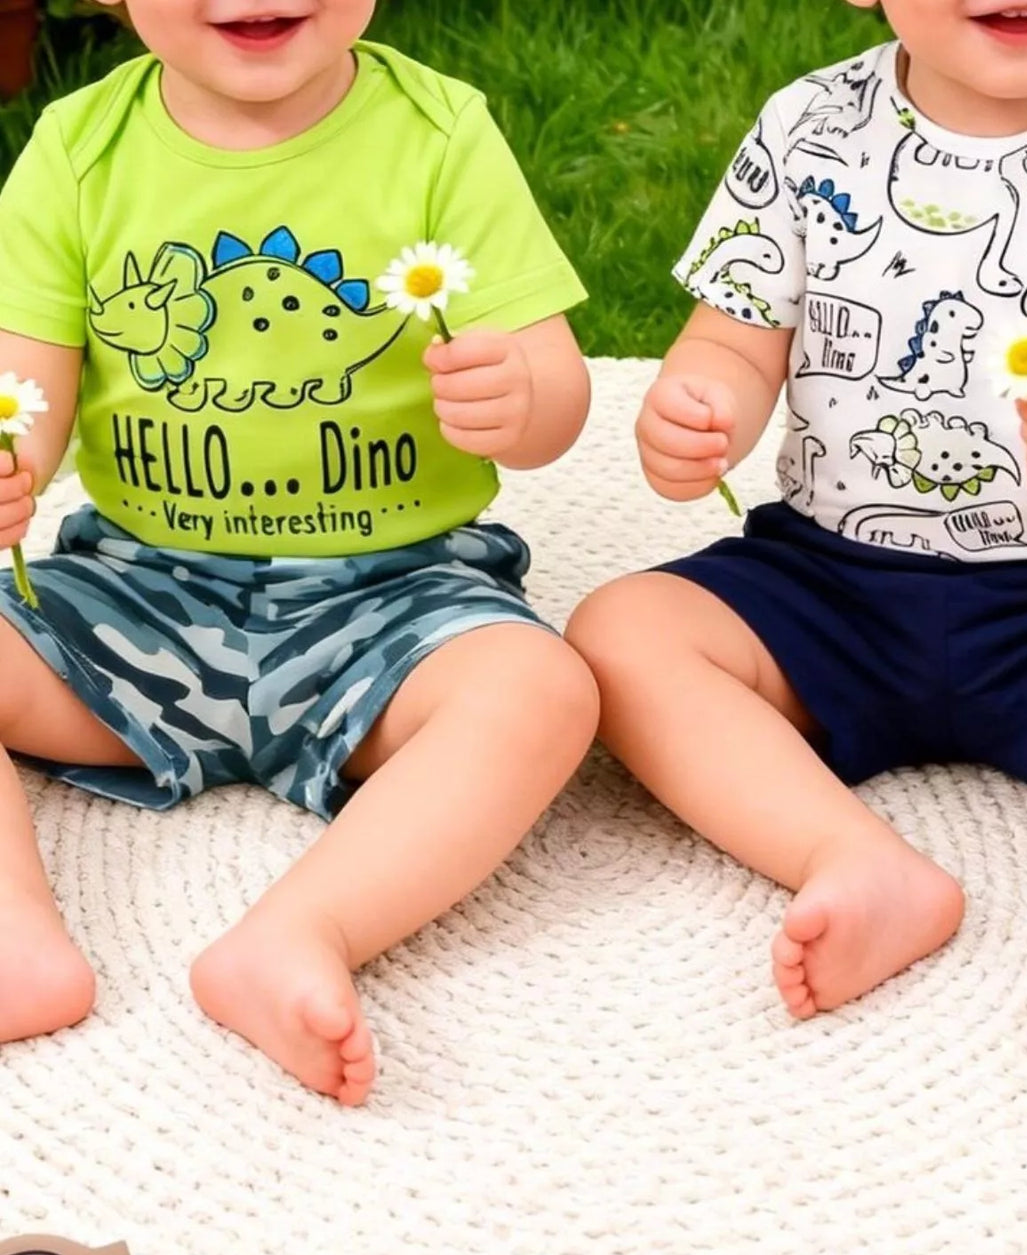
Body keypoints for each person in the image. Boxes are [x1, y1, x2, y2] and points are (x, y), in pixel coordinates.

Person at [567, 0, 1027, 1131]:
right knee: (621, 629)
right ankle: (860, 863)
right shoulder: (812, 125)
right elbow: (733, 338)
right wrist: (699, 405)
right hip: (834, 589)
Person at [0, 0, 598, 1105]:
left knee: (543, 692)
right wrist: (13, 464)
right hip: (143, 596)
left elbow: (560, 399)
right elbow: (24, 392)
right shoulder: (77, 148)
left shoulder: (439, 129)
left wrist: (524, 397)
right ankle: (12, 936)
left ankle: (297, 930)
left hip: (393, 605)